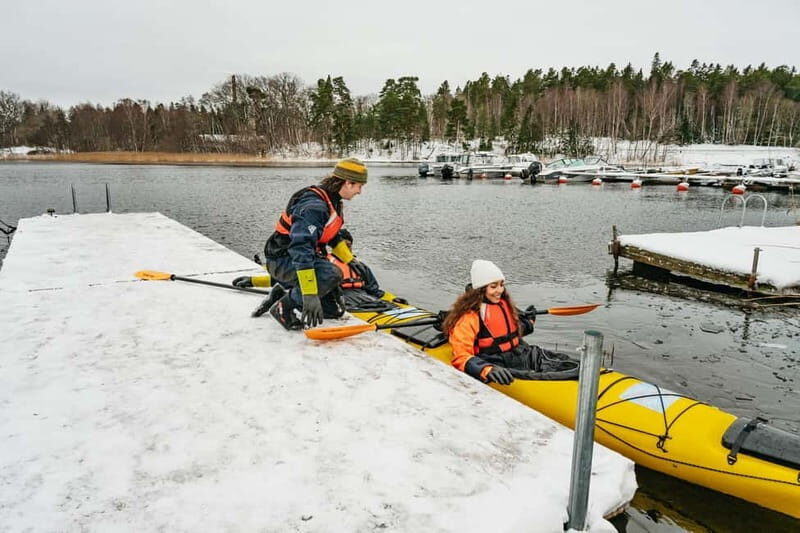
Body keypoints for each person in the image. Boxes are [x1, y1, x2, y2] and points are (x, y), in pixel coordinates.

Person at [254, 158, 370, 330]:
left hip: (299, 258)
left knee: (335, 310)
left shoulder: (332, 200)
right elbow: (300, 248)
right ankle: (283, 308)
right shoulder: (314, 207)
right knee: (332, 274)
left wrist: (350, 260)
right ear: (348, 183)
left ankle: (283, 291)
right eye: (360, 186)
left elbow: (332, 235)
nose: (360, 192)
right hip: (283, 259)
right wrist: (308, 294)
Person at [441, 260, 578, 386]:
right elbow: (461, 356)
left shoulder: (503, 304)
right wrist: (486, 369)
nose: (499, 290)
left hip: (519, 353)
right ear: (481, 290)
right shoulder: (469, 317)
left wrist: (529, 322)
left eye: (501, 285)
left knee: (569, 364)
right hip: (493, 361)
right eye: (493, 286)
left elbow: (513, 332)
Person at [328, 228, 407, 305]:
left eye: (349, 246)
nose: (347, 249)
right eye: (344, 246)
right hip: (340, 298)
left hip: (363, 297)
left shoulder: (360, 266)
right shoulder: (326, 264)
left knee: (378, 302)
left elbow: (374, 291)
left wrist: (392, 298)